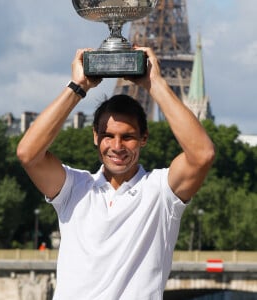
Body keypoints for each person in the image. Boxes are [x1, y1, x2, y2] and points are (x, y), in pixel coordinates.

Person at [17, 47, 215, 300]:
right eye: (108, 136)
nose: (117, 146)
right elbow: (27, 154)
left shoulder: (160, 192)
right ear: (95, 137)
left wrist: (155, 84)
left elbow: (202, 155)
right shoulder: (75, 188)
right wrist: (78, 86)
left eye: (128, 137)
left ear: (144, 138)